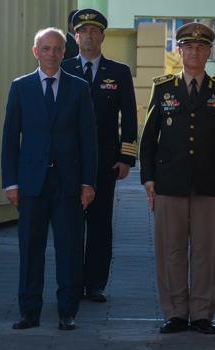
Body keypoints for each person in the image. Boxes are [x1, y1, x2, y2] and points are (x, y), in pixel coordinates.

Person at [139, 22, 215, 335]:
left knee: (206, 252)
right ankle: (175, 313)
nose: (194, 52)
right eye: (188, 47)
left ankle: (201, 313)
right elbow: (148, 139)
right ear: (179, 51)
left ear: (209, 52)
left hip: (210, 184)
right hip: (169, 183)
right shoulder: (163, 87)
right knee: (170, 250)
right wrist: (148, 179)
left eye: (201, 47)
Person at [1, 27, 97, 331]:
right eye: (46, 48)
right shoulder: (21, 87)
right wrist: (11, 182)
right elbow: (9, 139)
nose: (52, 54)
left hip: (68, 183)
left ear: (64, 52)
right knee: (31, 248)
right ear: (35, 52)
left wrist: (88, 182)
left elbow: (89, 140)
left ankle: (67, 311)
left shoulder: (79, 88)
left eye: (57, 48)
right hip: (31, 183)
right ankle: (29, 311)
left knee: (69, 249)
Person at [60, 8, 137, 303]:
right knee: (69, 224)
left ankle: (95, 284)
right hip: (69, 161)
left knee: (100, 224)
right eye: (83, 31)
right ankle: (71, 282)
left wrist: (126, 157)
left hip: (105, 162)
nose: (89, 36)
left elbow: (129, 117)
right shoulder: (64, 68)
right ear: (75, 36)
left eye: (94, 30)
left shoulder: (117, 72)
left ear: (103, 35)